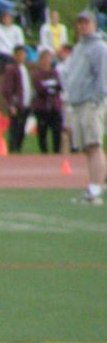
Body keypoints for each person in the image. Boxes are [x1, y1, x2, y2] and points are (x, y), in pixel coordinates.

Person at [63, 11, 107, 206]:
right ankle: (94, 185)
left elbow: (102, 76)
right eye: (80, 23)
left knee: (94, 144)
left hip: (91, 103)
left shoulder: (99, 48)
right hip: (78, 103)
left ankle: (97, 186)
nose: (82, 26)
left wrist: (97, 99)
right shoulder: (79, 48)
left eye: (86, 22)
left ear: (94, 24)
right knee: (87, 148)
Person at [0, 45, 32, 153]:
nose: (21, 57)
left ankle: (18, 149)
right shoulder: (11, 69)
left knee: (22, 129)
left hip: (26, 103)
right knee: (15, 129)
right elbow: (7, 89)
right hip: (16, 104)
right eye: (19, 55)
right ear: (14, 56)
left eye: (23, 54)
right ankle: (13, 149)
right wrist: (11, 104)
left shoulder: (25, 69)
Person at [31, 48, 63, 154]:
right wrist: (50, 87)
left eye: (48, 59)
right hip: (41, 107)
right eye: (44, 59)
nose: (46, 61)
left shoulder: (55, 72)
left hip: (54, 106)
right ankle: (44, 153)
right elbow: (40, 88)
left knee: (57, 131)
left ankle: (56, 151)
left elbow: (58, 87)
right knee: (42, 132)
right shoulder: (36, 73)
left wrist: (48, 87)